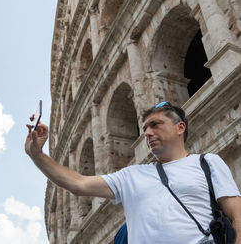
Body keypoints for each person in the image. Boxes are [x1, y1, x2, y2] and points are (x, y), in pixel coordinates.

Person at [25, 101, 241, 244]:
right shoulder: (131, 175)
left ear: (180, 128)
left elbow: (236, 216)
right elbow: (78, 184)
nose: (147, 132)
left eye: (156, 125)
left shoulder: (206, 162)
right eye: (145, 128)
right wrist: (36, 154)